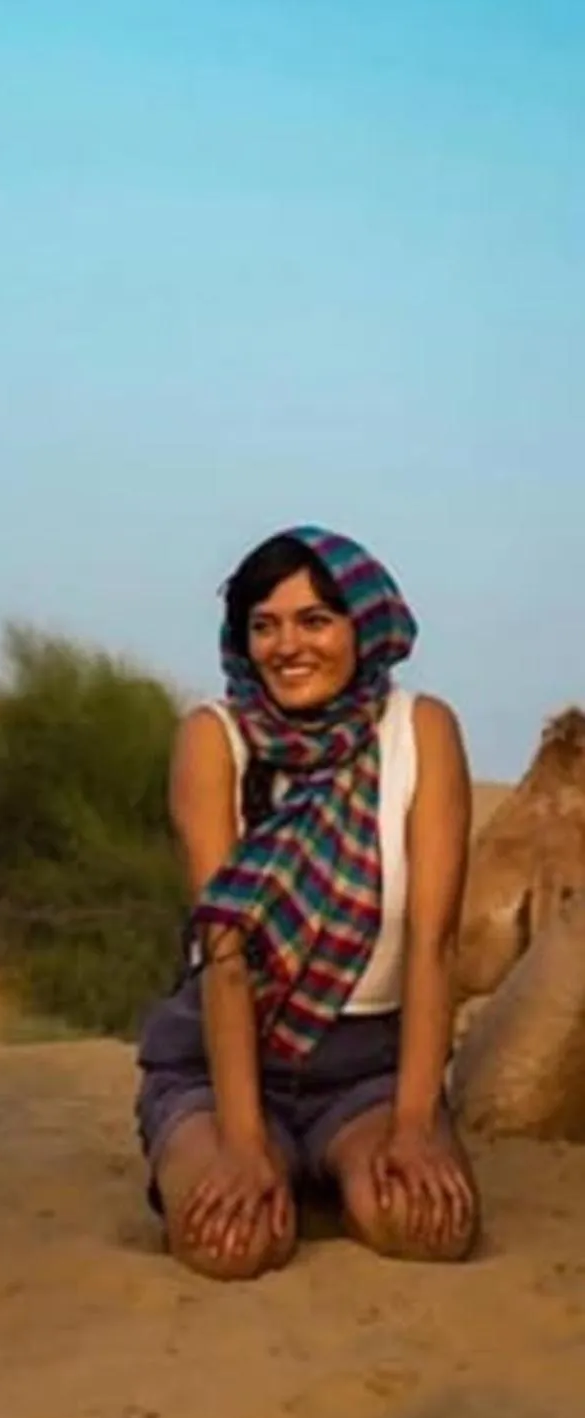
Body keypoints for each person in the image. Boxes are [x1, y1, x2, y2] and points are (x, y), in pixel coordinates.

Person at [134, 523, 480, 1280]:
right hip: (221, 1063)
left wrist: (418, 1123)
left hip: (367, 1073)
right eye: (264, 625)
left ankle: (338, 1165)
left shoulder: (419, 732)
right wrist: (242, 1139)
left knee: (427, 1230)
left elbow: (433, 941)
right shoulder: (214, 737)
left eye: (314, 620)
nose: (287, 645)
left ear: (363, 624)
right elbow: (225, 958)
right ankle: (262, 1159)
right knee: (231, 1245)